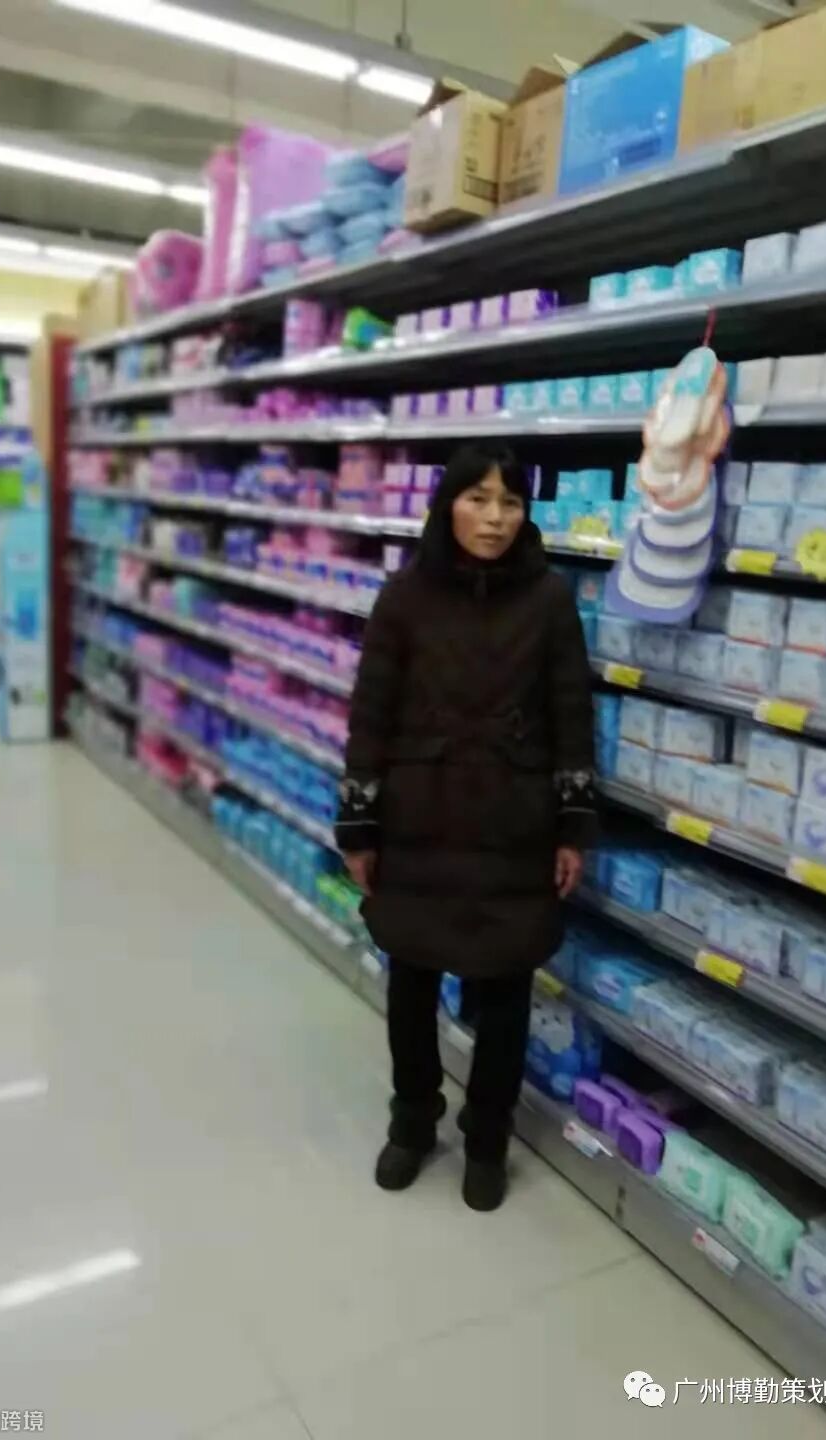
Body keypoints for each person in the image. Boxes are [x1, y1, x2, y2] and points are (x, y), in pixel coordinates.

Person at [336, 442, 597, 1212]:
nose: (494, 517)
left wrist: (573, 825)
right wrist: (359, 824)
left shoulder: (548, 600)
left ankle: (488, 1137)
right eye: (477, 499)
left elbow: (572, 717)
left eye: (510, 502)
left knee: (507, 990)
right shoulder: (404, 597)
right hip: (419, 820)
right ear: (446, 504)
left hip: (514, 825)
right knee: (412, 982)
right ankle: (413, 1121)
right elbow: (370, 717)